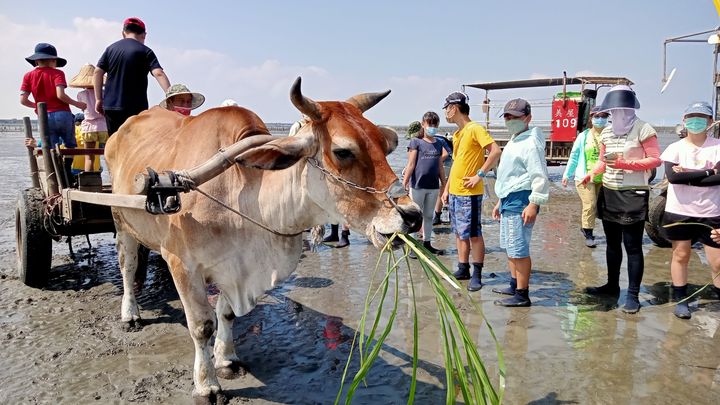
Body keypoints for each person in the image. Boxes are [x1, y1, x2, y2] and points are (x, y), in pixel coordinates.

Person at [582, 85, 662, 314]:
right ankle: (611, 286)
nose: (617, 114)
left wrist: (626, 165)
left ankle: (633, 294)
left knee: (633, 246)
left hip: (633, 192)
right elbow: (603, 160)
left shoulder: (643, 129)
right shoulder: (606, 132)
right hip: (609, 191)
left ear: (630, 108)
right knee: (612, 244)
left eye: (621, 110)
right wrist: (592, 173)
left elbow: (655, 160)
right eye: (613, 111)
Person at [659, 101, 720, 319]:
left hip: (712, 212)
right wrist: (707, 171)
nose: (696, 121)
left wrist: (691, 175)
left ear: (711, 122)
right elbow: (674, 178)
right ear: (684, 120)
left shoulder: (718, 146)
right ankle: (681, 299)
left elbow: (718, 180)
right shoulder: (674, 148)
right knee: (681, 254)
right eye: (692, 117)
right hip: (680, 210)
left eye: (702, 117)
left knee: (717, 261)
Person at [441, 91, 502, 291]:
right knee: (459, 232)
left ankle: (477, 273)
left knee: (474, 234)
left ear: (455, 108)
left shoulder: (475, 128)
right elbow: (457, 163)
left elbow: (495, 151)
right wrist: (446, 189)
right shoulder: (458, 134)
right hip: (456, 192)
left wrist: (480, 175)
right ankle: (463, 267)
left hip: (470, 192)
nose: (446, 113)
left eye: (447, 108)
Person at [491, 99, 550, 307]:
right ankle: (514, 283)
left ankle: (522, 294)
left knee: (519, 249)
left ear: (527, 118)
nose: (509, 120)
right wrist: (500, 201)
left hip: (521, 201)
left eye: (514, 117)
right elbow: (509, 176)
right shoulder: (515, 140)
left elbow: (539, 176)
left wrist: (534, 203)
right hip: (509, 199)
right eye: (507, 116)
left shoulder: (531, 143)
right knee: (509, 246)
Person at [94, 17, 171, 135]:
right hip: (136, 108)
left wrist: (98, 98)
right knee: (134, 145)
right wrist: (171, 95)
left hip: (111, 106)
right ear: (144, 35)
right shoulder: (145, 51)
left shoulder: (110, 49)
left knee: (115, 143)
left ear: (123, 33)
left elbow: (97, 72)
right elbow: (158, 73)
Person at [20, 43, 86, 149]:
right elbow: (60, 95)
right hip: (63, 114)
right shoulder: (58, 73)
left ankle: (54, 165)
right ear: (53, 60)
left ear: (36, 61)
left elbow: (23, 100)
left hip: (44, 116)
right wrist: (77, 104)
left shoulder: (28, 76)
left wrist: (37, 106)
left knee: (50, 148)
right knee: (70, 145)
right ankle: (67, 165)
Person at [562, 106, 608, 247]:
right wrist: (567, 174)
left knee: (602, 208)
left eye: (603, 116)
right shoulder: (583, 136)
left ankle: (585, 226)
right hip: (584, 177)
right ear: (591, 118)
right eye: (597, 116)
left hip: (604, 177)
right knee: (590, 204)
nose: (600, 119)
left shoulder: (610, 135)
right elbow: (574, 157)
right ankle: (589, 233)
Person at [402, 113, 447, 254]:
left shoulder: (439, 144)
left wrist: (444, 184)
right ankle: (413, 247)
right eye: (429, 124)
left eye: (435, 125)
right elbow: (411, 164)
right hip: (417, 186)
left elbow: (440, 166)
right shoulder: (416, 142)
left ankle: (427, 243)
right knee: (415, 217)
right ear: (423, 124)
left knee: (428, 215)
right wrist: (404, 182)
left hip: (433, 186)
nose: (432, 127)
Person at [69, 64, 108, 172]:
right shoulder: (104, 93)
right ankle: (113, 178)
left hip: (88, 128)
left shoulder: (81, 94)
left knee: (89, 157)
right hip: (104, 126)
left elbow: (84, 109)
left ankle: (89, 180)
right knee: (109, 156)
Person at [433, 131, 453, 225]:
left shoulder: (436, 139)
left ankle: (438, 215)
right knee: (442, 190)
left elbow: (445, 154)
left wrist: (432, 162)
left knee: (443, 189)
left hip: (446, 162)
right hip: (443, 161)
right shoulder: (429, 138)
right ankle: (438, 215)